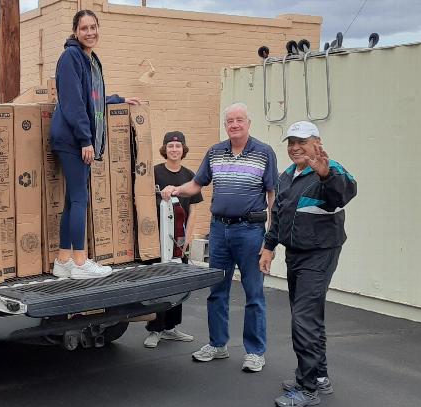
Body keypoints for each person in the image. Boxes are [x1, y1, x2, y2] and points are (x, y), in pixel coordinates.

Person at [161, 103, 278, 373]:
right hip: (219, 231)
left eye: (239, 120)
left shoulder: (264, 153)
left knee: (254, 293)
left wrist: (270, 241)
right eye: (230, 121)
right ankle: (217, 345)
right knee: (217, 291)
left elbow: (273, 196)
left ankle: (255, 352)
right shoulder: (215, 152)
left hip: (250, 232)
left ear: (249, 123)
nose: (234, 125)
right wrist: (175, 188)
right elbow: (196, 185)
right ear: (226, 125)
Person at [260, 121, 357, 407]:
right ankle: (320, 376)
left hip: (320, 253)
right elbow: (278, 213)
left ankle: (308, 386)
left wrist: (326, 174)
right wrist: (268, 246)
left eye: (301, 141)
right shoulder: (287, 175)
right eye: (291, 142)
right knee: (309, 316)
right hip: (296, 253)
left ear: (317, 142)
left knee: (304, 319)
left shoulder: (330, 169)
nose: (295, 147)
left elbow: (345, 192)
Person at [50, 9, 140, 280]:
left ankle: (63, 259)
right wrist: (86, 140)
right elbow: (73, 101)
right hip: (72, 138)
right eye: (84, 28)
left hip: (73, 137)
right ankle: (79, 262)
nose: (90, 32)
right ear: (75, 32)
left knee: (71, 200)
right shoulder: (71, 57)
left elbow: (93, 97)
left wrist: (118, 99)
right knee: (80, 199)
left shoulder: (88, 59)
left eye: (93, 27)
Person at [144, 131, 202, 348]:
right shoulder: (154, 173)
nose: (174, 150)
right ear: (165, 149)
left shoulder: (190, 176)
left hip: (179, 241)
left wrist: (188, 238)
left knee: (178, 284)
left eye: (178, 146)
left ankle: (171, 328)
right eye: (170, 146)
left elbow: (194, 210)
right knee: (158, 285)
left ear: (183, 149)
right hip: (157, 240)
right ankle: (155, 329)